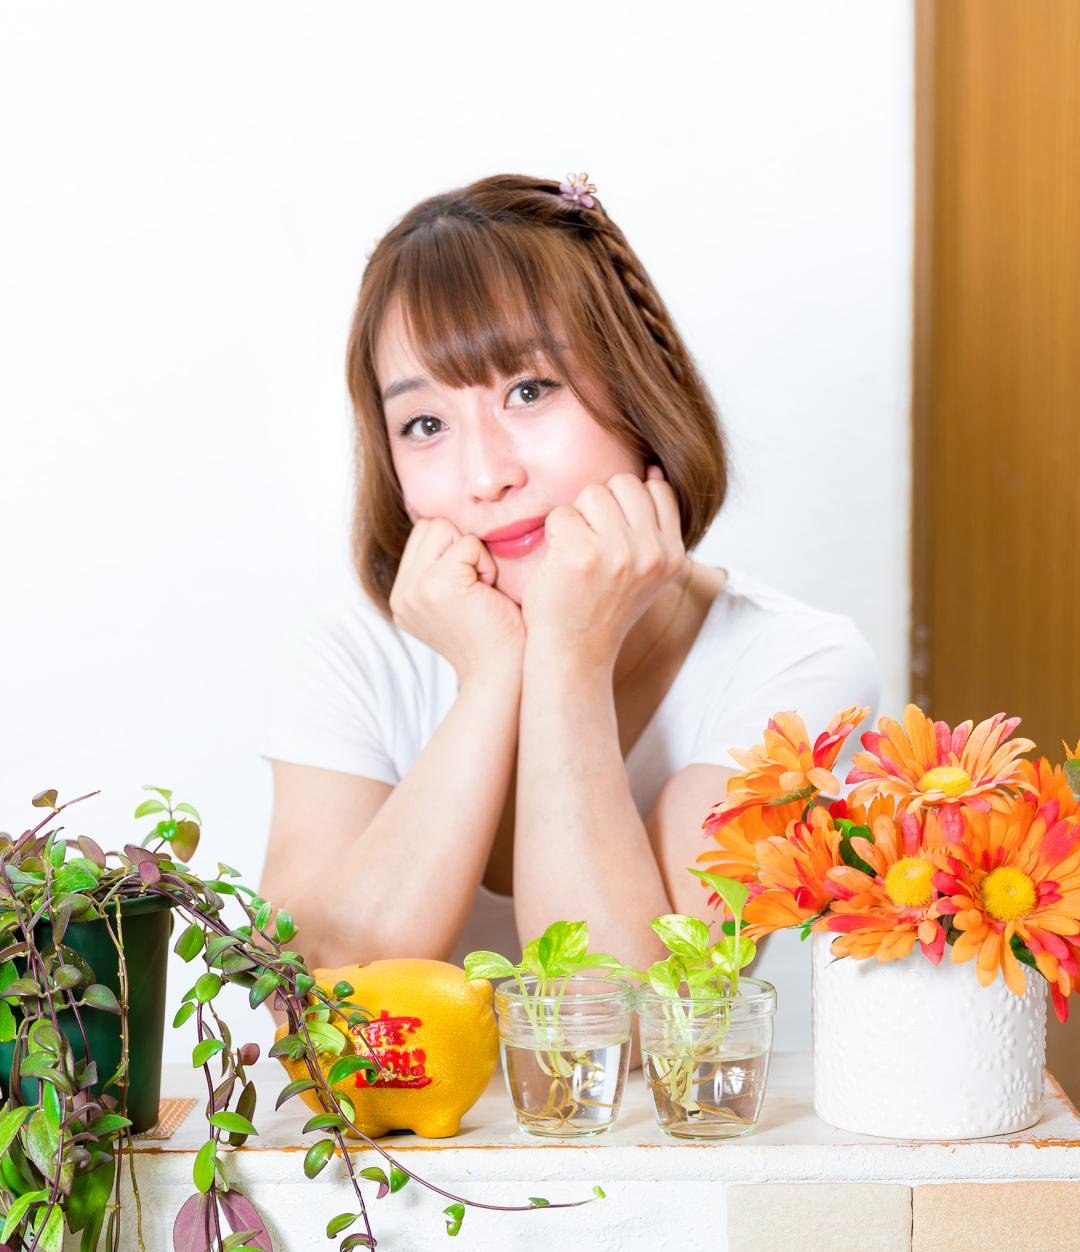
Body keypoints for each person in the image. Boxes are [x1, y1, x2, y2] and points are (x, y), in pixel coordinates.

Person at [257, 170, 880, 986]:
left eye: (528, 390)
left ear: (638, 390)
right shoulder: (354, 659)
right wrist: (490, 676)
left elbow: (633, 1019)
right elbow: (309, 999)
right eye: (425, 423)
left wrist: (569, 656)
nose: (486, 475)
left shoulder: (790, 665)